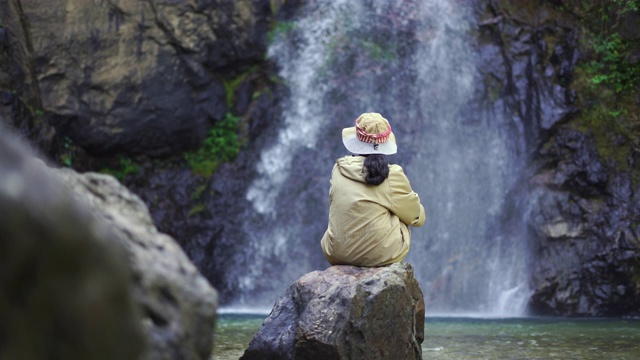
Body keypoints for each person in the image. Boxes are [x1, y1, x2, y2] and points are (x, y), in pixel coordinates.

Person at [321, 112, 426, 267]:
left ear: (356, 140)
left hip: (335, 252)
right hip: (380, 255)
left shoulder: (339, 169)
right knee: (400, 214)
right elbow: (417, 218)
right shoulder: (392, 175)